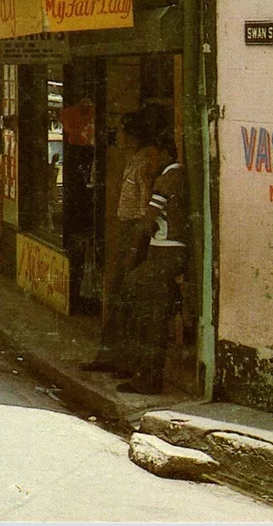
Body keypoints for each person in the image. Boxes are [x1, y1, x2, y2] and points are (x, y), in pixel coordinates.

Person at [83, 111, 163, 374]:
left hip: (137, 232)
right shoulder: (133, 159)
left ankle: (126, 360)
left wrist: (137, 245)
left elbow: (146, 209)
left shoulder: (145, 162)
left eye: (121, 131)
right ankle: (111, 356)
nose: (117, 136)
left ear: (134, 135)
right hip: (128, 229)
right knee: (117, 294)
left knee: (127, 295)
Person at [118, 133, 188, 395]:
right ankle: (143, 374)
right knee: (150, 311)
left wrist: (132, 255)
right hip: (165, 252)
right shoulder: (173, 176)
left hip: (166, 252)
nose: (151, 160)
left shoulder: (169, 177)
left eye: (154, 154)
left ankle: (146, 378)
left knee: (150, 315)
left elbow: (148, 221)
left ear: (166, 154)